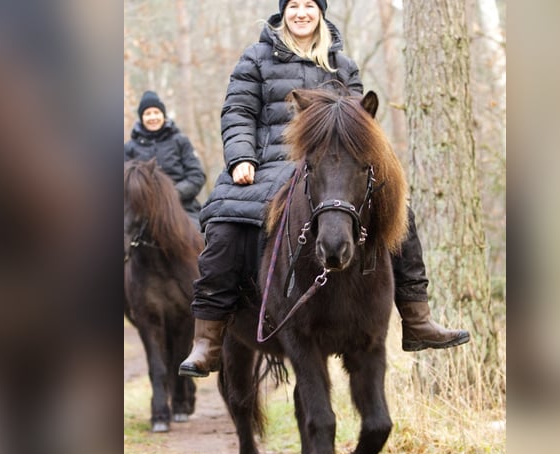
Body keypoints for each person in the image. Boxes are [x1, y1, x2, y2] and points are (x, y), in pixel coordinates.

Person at [180, 0, 469, 377]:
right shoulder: (255, 58)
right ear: (283, 12)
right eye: (293, 5)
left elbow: (360, 124)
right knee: (225, 227)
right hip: (266, 165)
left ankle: (417, 318)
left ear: (320, 12)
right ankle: (209, 338)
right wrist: (241, 158)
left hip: (330, 170)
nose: (301, 12)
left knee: (402, 213)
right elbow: (238, 112)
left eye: (309, 5)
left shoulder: (342, 66)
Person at [124, 90, 206, 225]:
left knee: (201, 238)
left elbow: (196, 176)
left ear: (163, 115)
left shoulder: (180, 141)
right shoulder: (129, 148)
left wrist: (173, 193)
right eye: (147, 114)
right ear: (141, 117)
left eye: (156, 112)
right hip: (141, 212)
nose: (152, 117)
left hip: (183, 208)